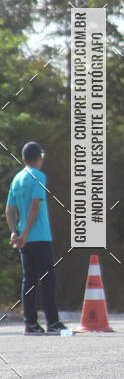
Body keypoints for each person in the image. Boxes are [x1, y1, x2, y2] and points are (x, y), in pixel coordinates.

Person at [5, 142, 68, 335]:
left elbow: (9, 210)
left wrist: (15, 232)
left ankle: (30, 324)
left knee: (29, 280)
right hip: (39, 236)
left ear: (23, 159)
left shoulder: (17, 179)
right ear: (39, 157)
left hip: (24, 239)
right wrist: (25, 234)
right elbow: (35, 206)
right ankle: (53, 323)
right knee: (48, 280)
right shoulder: (38, 176)